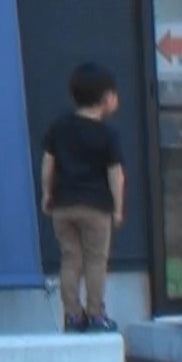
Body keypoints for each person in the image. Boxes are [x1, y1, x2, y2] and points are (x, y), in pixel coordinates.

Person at [40, 63, 126, 333]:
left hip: (63, 205)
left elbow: (48, 163)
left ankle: (73, 316)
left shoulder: (59, 127)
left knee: (70, 259)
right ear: (106, 98)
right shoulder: (108, 134)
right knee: (95, 261)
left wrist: (47, 193)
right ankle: (96, 315)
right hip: (96, 207)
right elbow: (116, 174)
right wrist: (118, 208)